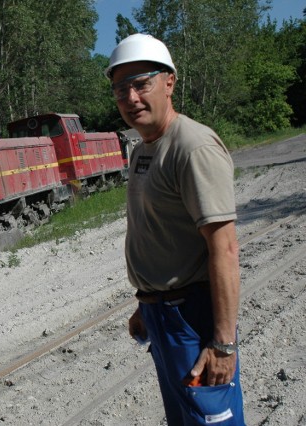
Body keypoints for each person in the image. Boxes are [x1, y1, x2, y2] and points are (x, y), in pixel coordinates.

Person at [106, 33, 245, 425]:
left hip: (193, 316)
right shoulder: (143, 149)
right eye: (120, 90)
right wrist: (144, 303)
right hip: (161, 315)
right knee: (184, 419)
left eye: (141, 84)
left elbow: (225, 249)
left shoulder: (193, 147)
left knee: (211, 419)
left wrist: (222, 343)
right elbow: (160, 234)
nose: (131, 98)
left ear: (169, 81)